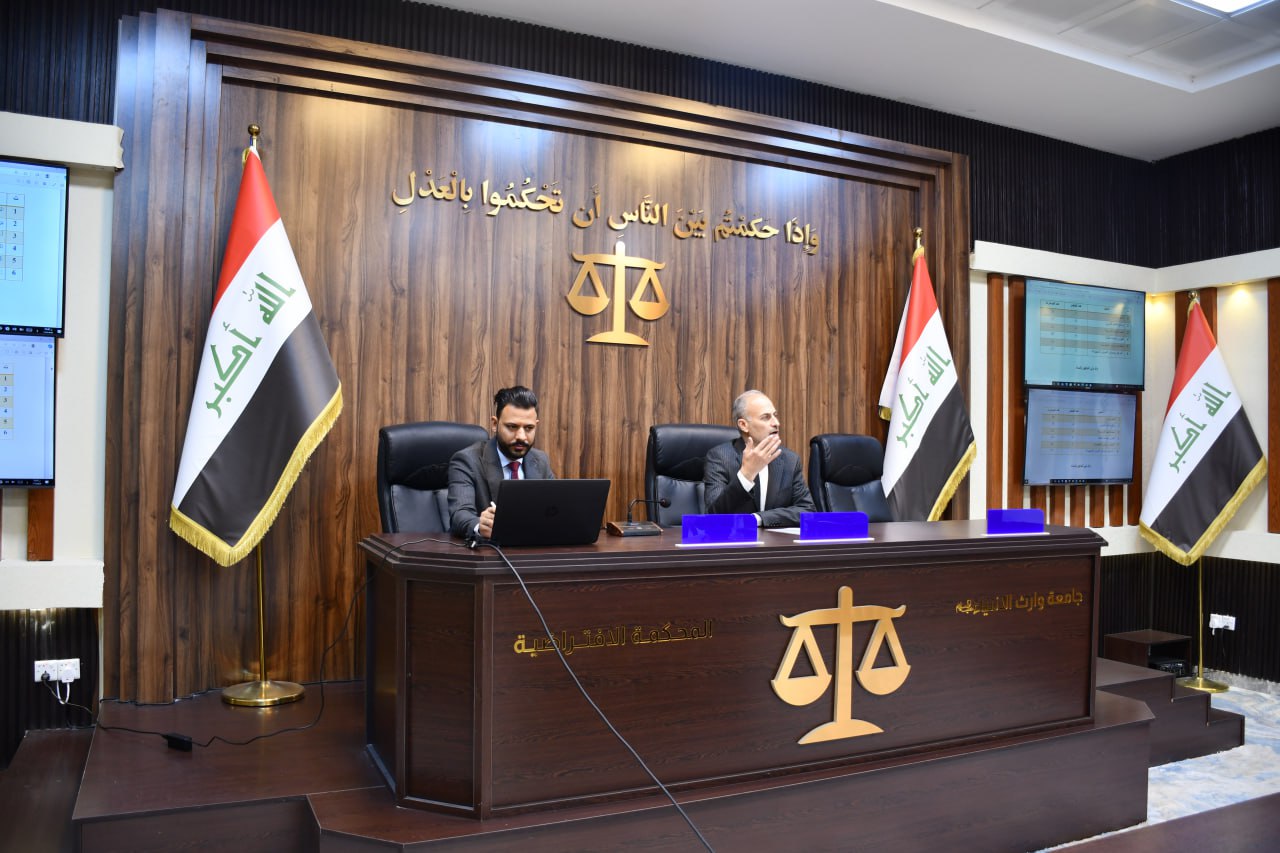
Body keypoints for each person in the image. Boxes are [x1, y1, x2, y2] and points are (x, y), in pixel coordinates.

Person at [448, 385, 555, 540]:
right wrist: (479, 525)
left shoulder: (541, 460)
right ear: (494, 424)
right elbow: (459, 514)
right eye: (512, 427)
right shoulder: (467, 460)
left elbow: (553, 508)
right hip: (490, 551)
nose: (521, 436)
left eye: (529, 428)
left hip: (532, 547)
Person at [702, 389, 815, 528]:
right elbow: (713, 516)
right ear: (744, 425)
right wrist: (746, 475)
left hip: (776, 541)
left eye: (775, 415)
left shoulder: (789, 460)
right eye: (765, 417)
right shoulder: (720, 457)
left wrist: (758, 518)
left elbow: (807, 511)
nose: (776, 423)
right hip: (734, 540)